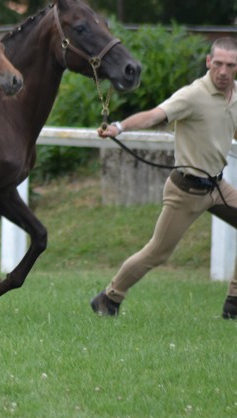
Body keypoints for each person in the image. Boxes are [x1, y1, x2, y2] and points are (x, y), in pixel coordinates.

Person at [91, 37, 237, 319]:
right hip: (185, 191)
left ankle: (234, 305)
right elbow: (154, 115)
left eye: (230, 65)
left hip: (217, 188)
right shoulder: (193, 95)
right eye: (217, 63)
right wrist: (119, 127)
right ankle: (108, 298)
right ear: (208, 62)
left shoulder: (234, 97)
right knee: (157, 253)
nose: (222, 71)